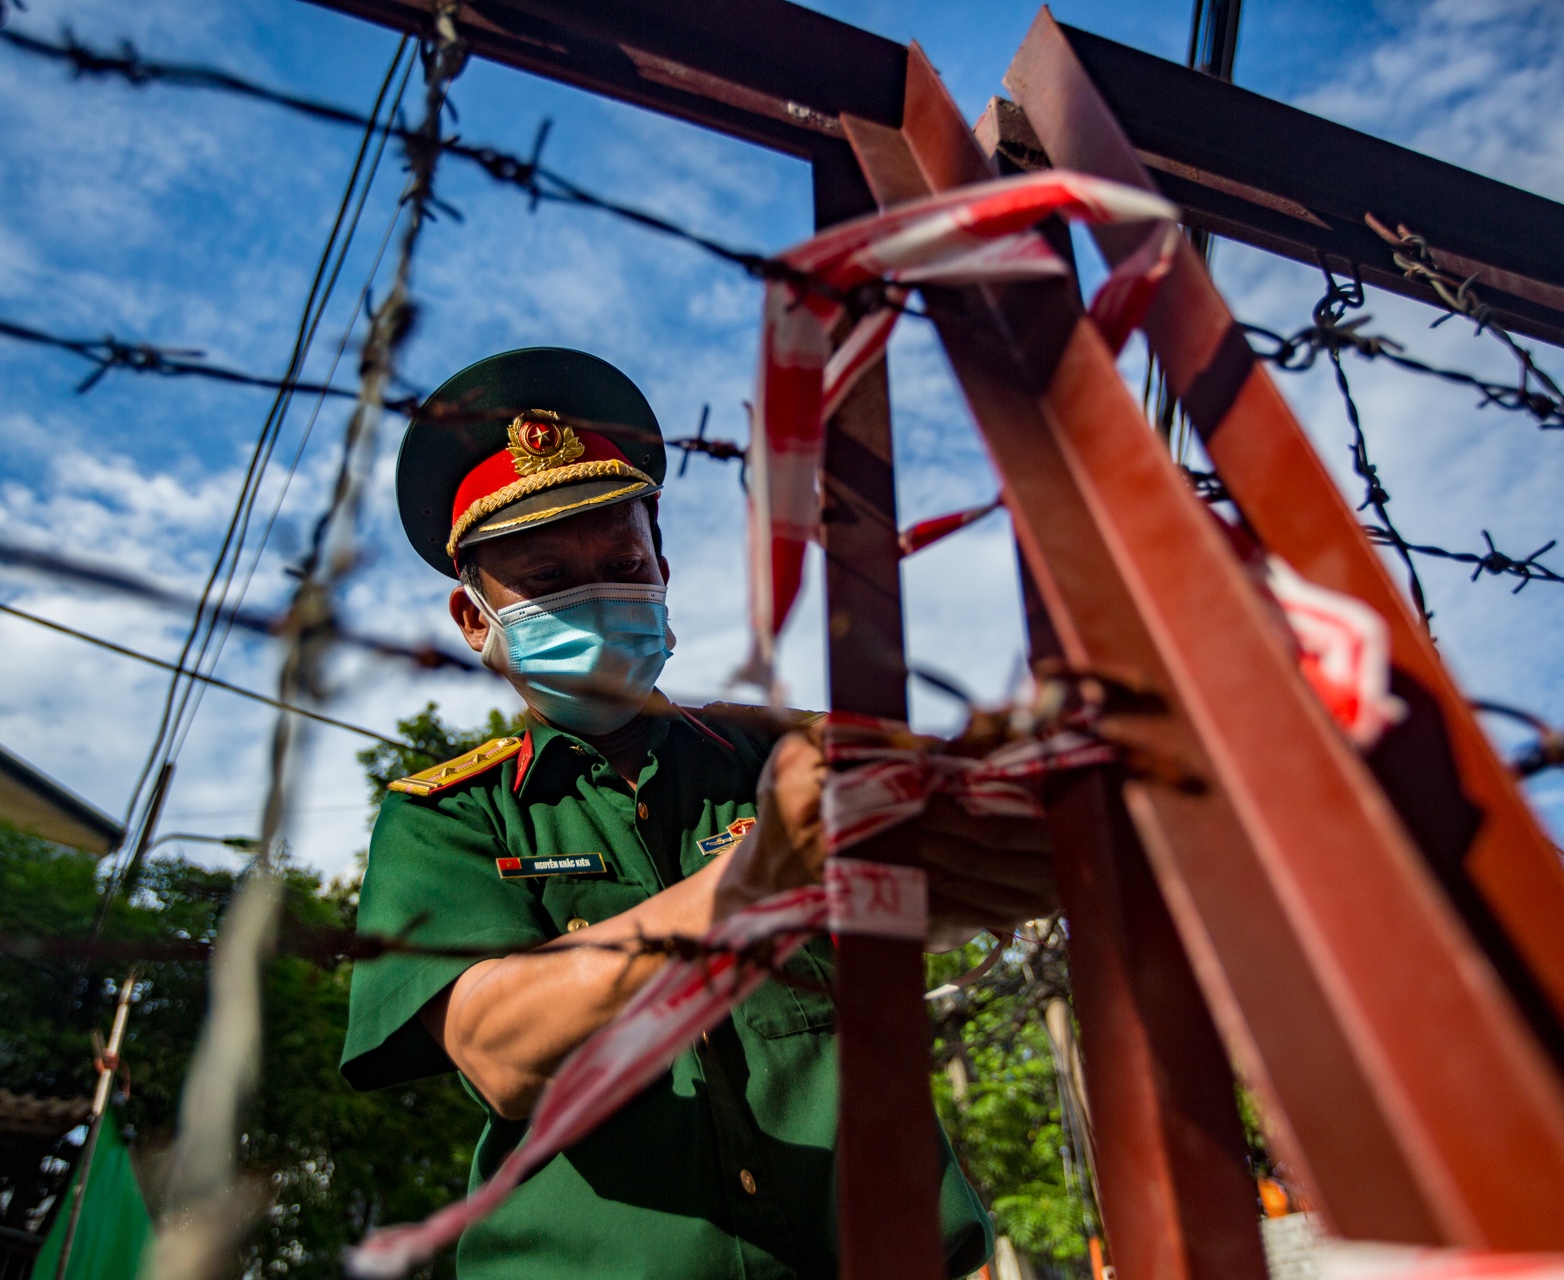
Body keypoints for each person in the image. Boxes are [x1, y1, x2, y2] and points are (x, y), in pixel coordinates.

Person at [341, 347, 1059, 1279]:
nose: (597, 595)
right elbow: (497, 1050)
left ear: (662, 570)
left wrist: (1009, 831)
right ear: (476, 619)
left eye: (622, 562)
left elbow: (940, 895)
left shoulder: (791, 759)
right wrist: (752, 884)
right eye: (549, 579)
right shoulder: (450, 819)